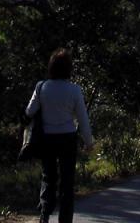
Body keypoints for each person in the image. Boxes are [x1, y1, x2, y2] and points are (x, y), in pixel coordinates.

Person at [26, 48, 93, 223]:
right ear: (69, 68)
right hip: (67, 138)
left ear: (51, 67)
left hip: (47, 138)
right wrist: (89, 142)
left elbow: (29, 111)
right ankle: (65, 220)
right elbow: (83, 119)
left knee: (48, 177)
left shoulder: (41, 87)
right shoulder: (74, 90)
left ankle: (44, 215)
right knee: (67, 182)